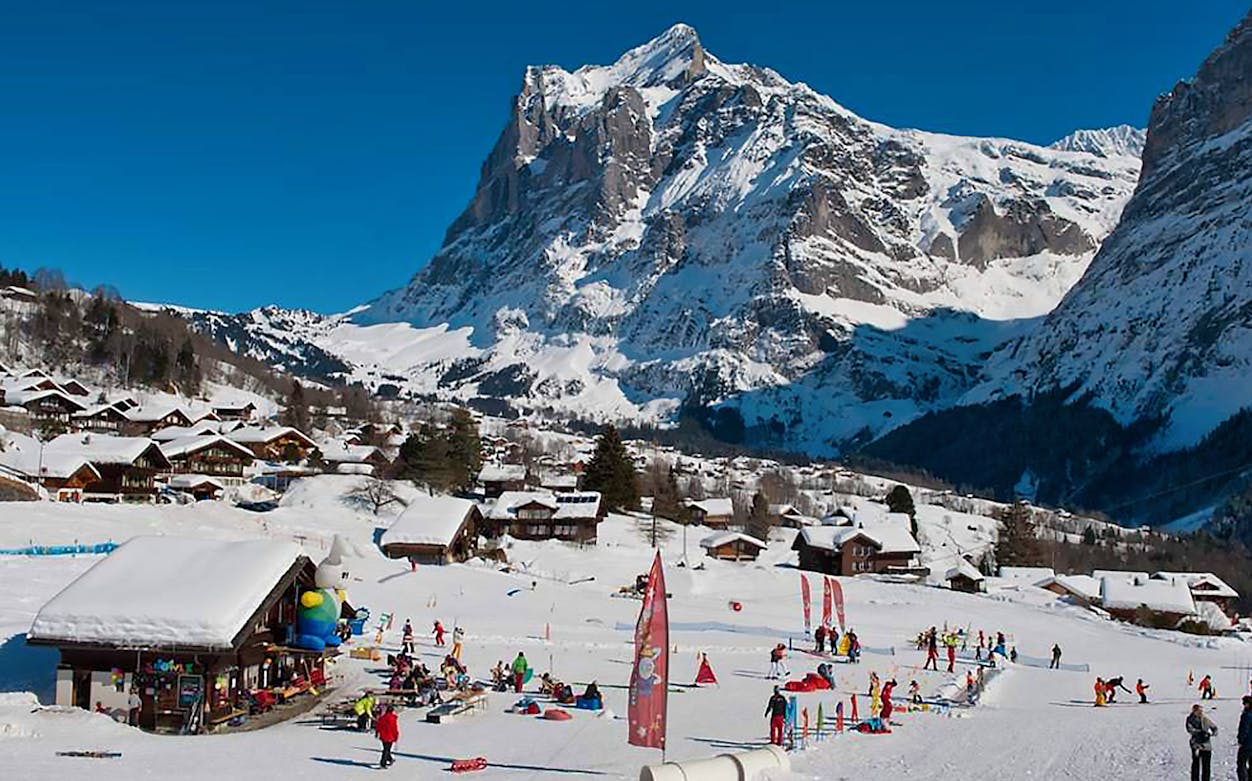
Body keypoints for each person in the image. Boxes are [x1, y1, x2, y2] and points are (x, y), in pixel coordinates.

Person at [1187, 703, 1217, 781]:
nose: (1199, 712)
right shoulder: (1190, 719)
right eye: (1197, 711)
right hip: (1196, 745)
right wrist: (1200, 732)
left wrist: (1212, 733)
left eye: (1201, 711)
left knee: (1206, 766)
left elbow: (1214, 727)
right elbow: (1190, 729)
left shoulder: (1205, 719)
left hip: (1206, 746)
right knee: (1196, 765)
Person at [375, 705, 399, 769]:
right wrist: (396, 736)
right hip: (390, 736)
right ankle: (383, 763)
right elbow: (394, 728)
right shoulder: (393, 718)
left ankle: (390, 759)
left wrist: (377, 733)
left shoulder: (382, 718)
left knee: (386, 749)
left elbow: (378, 725)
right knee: (386, 750)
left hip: (383, 736)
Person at [1237, 695, 1252, 781]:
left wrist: (1240, 740)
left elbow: (1244, 729)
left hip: (1247, 744)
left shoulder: (1247, 715)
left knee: (1241, 764)